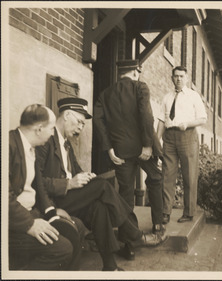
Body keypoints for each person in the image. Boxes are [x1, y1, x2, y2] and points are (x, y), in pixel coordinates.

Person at [35, 97, 167, 271]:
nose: (81, 128)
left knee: (100, 207)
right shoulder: (45, 141)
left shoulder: (66, 143)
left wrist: (85, 175)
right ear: (66, 115)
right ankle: (134, 235)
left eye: (83, 125)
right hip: (52, 202)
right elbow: (36, 182)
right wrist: (69, 184)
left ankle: (109, 266)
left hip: (69, 198)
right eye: (79, 122)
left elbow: (75, 170)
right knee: (102, 186)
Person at [93, 59, 166, 260]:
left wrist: (109, 149)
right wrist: (147, 144)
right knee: (156, 180)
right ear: (135, 72)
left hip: (120, 151)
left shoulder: (105, 94)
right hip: (143, 148)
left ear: (120, 74)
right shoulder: (140, 87)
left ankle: (129, 244)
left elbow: (99, 123)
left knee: (125, 193)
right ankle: (158, 225)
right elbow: (146, 115)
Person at [9, 104, 79, 270]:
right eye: (51, 128)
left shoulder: (30, 148)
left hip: (30, 212)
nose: (53, 133)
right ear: (39, 129)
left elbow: (38, 186)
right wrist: (30, 224)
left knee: (76, 228)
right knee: (62, 249)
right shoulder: (8, 146)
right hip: (12, 222)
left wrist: (51, 213)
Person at [156, 66, 207, 224]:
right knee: (167, 174)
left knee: (189, 174)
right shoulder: (167, 97)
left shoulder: (193, 96)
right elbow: (162, 120)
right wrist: (156, 139)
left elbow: (203, 118)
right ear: (172, 78)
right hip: (169, 137)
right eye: (176, 76)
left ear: (186, 78)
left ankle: (189, 212)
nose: (178, 79)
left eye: (181, 76)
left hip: (187, 135)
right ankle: (165, 212)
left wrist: (187, 124)